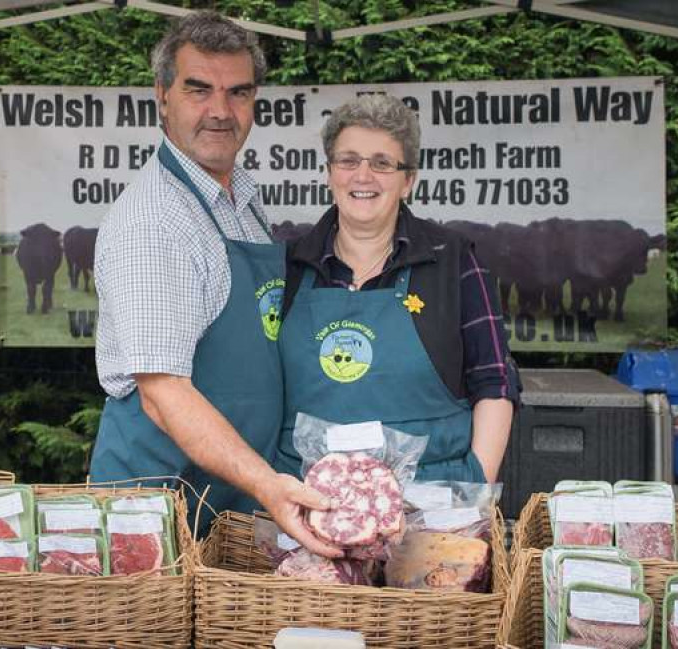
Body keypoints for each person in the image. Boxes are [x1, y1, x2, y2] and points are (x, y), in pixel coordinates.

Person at [90, 11, 339, 556]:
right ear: (162, 96)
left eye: (238, 92)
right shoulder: (155, 221)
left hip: (230, 503)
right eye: (199, 90)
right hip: (158, 515)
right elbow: (163, 394)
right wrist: (268, 483)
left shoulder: (237, 200)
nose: (220, 111)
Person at [277, 94, 519, 484]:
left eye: (382, 163)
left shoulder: (453, 260)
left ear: (409, 181)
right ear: (329, 173)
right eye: (349, 160)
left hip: (434, 500)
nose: (363, 176)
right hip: (306, 506)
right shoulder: (288, 267)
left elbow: (494, 380)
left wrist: (475, 481)